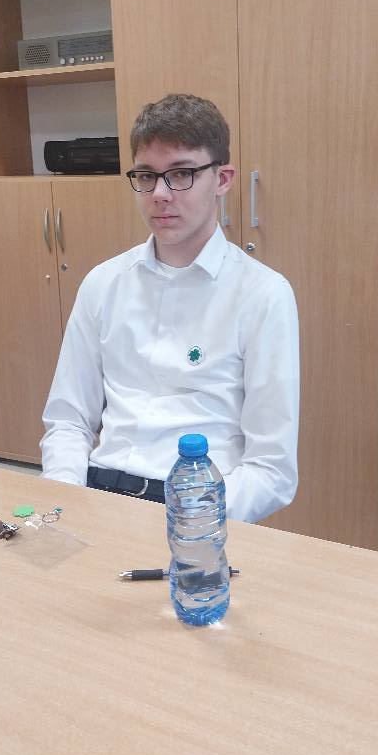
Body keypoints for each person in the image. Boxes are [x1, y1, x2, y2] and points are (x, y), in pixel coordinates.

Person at [41, 93, 299, 523]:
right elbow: (68, 421)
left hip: (200, 506)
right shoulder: (103, 284)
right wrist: (65, 503)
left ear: (222, 179)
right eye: (146, 175)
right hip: (99, 492)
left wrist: (189, 523)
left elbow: (271, 470)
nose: (160, 194)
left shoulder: (263, 295)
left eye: (181, 174)